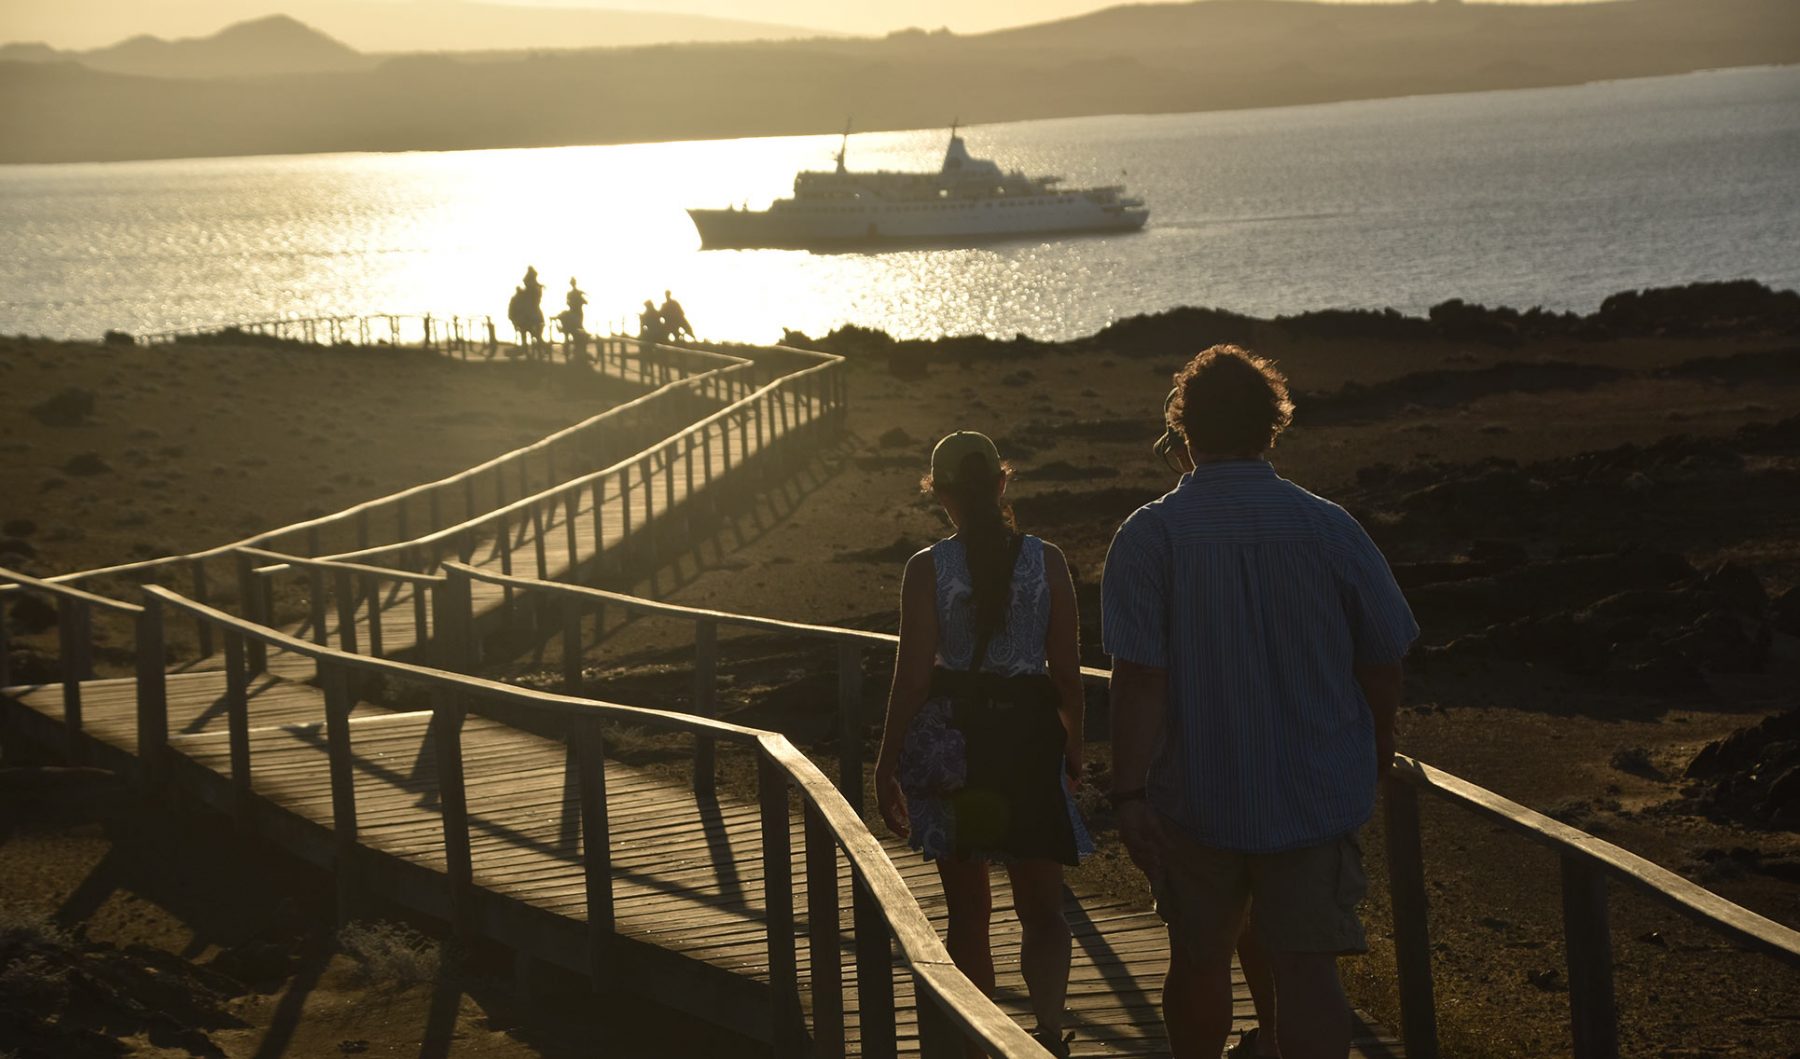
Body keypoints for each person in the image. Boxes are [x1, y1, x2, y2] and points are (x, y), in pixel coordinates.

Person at [1102, 346, 1417, 1059]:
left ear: (1184, 430)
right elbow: (1384, 652)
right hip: (1311, 792)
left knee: (1199, 959)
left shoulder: (1149, 535)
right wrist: (1375, 742)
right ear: (1271, 427)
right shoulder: (1329, 525)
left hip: (1197, 794)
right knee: (1309, 974)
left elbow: (1139, 675)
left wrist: (1128, 792)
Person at [874, 431, 1092, 1058]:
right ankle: (1048, 1031)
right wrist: (1073, 749)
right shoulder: (1046, 561)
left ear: (939, 492)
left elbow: (912, 677)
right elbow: (1068, 674)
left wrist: (888, 761)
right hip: (1028, 744)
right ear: (1002, 484)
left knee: (970, 913)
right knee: (1042, 907)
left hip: (959, 749)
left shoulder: (927, 568)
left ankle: (977, 1044)